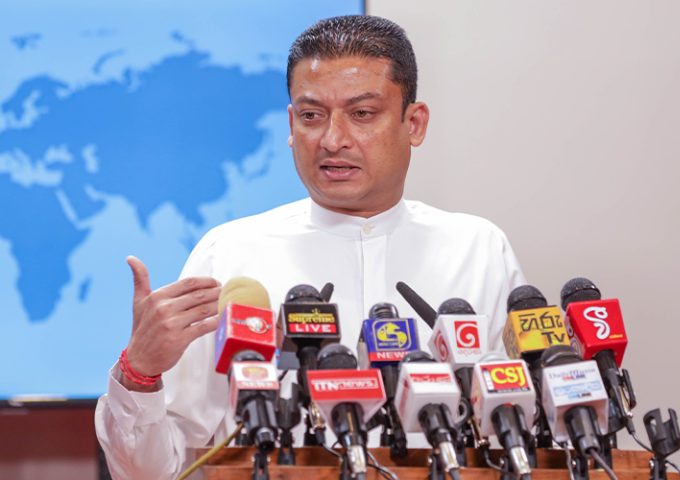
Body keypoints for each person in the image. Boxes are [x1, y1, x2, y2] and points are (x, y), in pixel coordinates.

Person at [95, 15, 526, 479]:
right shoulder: (231, 253)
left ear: (414, 123)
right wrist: (140, 371)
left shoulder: (477, 248)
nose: (333, 140)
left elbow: (538, 435)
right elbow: (154, 471)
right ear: (291, 123)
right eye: (312, 116)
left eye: (362, 114)